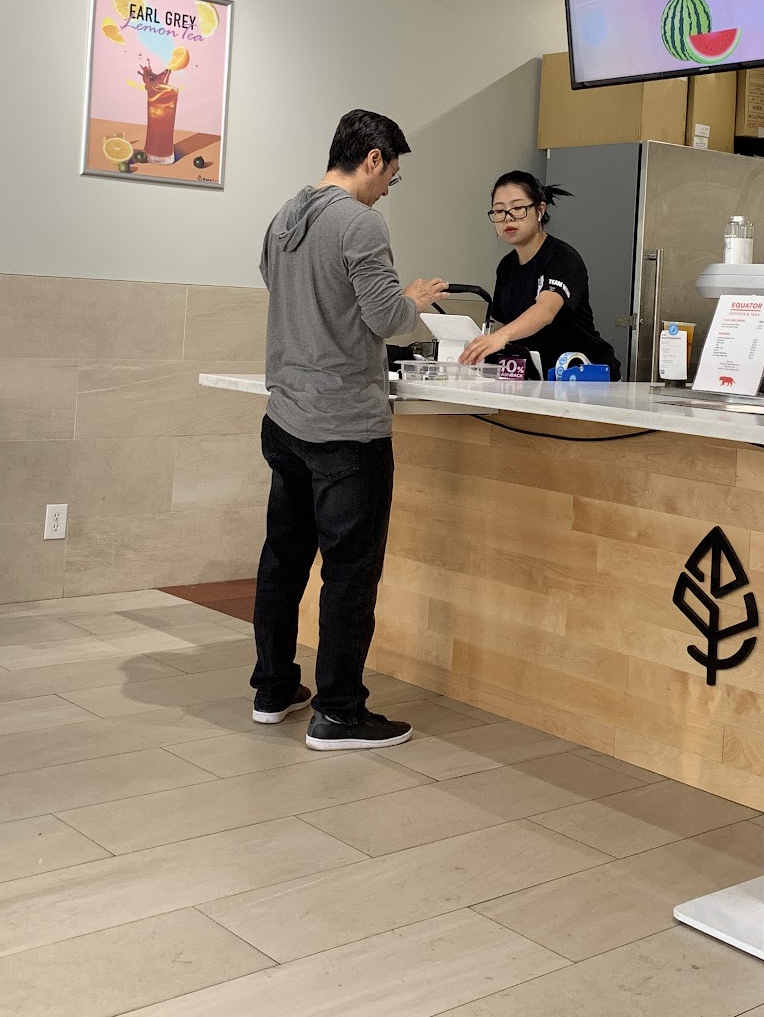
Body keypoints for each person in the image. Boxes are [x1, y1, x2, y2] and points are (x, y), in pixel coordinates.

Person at [253, 108, 446, 749]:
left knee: (283, 560)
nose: (388, 188)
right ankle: (338, 712)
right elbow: (387, 318)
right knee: (349, 572)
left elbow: (276, 284)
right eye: (391, 174)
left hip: (285, 417)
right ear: (373, 159)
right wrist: (413, 299)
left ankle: (273, 688)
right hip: (344, 428)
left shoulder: (285, 216)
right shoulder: (360, 222)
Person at [459, 170, 621, 379]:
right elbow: (505, 323)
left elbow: (546, 310)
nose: (508, 218)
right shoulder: (506, 266)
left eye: (518, 208)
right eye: (499, 211)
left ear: (540, 210)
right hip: (538, 376)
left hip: (583, 374)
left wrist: (502, 336)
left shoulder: (562, 258)